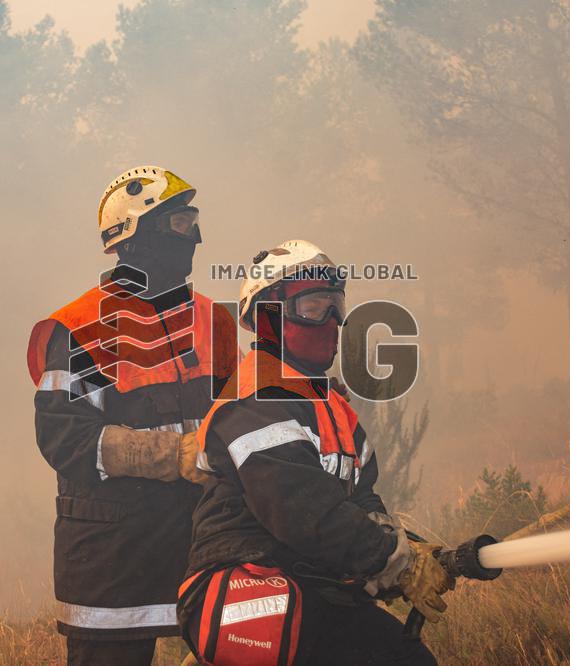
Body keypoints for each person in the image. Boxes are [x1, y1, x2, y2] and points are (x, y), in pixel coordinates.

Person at [178, 240, 453, 665]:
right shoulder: (254, 397)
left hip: (309, 583)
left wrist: (408, 550)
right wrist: (389, 560)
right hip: (244, 586)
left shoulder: (332, 407)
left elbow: (361, 500)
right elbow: (300, 508)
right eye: (312, 305)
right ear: (267, 317)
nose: (331, 320)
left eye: (335, 304)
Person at [26, 166, 237, 665]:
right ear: (139, 232)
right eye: (182, 223)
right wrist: (172, 454)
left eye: (194, 221)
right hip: (115, 556)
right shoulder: (81, 326)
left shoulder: (215, 320)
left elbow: (240, 418)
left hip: (204, 542)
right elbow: (65, 437)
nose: (195, 236)